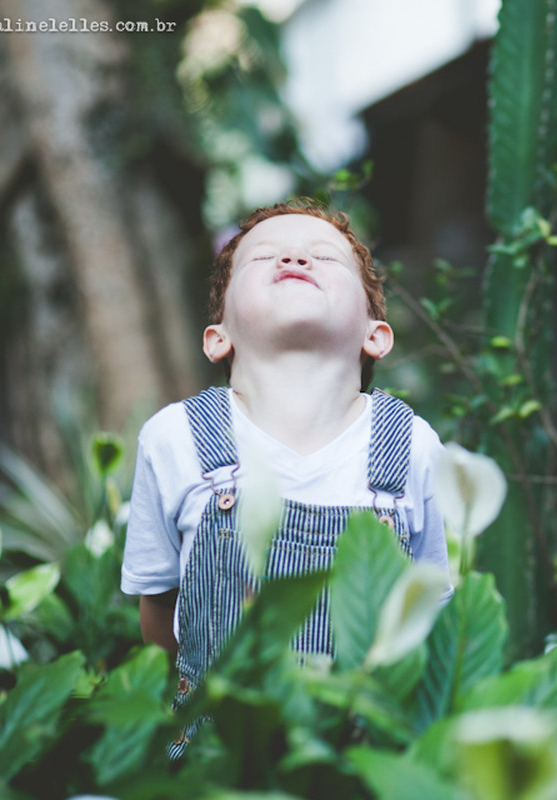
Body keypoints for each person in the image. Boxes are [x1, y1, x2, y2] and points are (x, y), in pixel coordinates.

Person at [121, 200, 450, 737]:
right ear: (217, 335)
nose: (295, 256)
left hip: (365, 764)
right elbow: (157, 609)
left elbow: (430, 614)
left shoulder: (410, 446)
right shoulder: (175, 439)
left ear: (376, 335)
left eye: (324, 257)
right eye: (263, 257)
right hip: (217, 760)